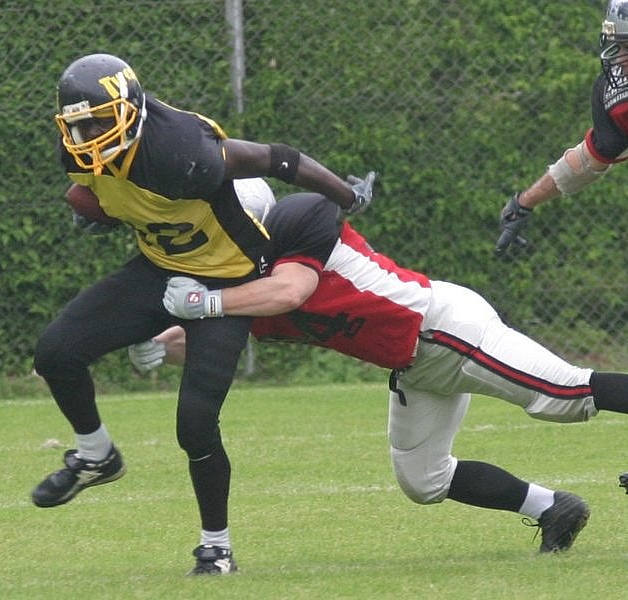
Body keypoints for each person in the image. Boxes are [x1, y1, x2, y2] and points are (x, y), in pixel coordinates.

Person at [131, 190, 628, 555]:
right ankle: (553, 509)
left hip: (443, 328)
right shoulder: (254, 286)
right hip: (415, 363)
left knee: (567, 395)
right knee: (424, 479)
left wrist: (204, 302)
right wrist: (163, 344)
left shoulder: (297, 243)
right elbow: (228, 333)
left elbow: (287, 291)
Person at [31, 52, 376, 576]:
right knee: (56, 352)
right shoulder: (78, 151)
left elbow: (279, 159)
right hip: (159, 268)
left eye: (100, 121)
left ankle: (216, 547)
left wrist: (347, 196)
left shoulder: (182, 151)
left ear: (130, 109)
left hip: (230, 275)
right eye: (80, 125)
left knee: (194, 422)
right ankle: (96, 455)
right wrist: (103, 210)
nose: (90, 135)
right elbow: (94, 192)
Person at [494, 0, 628, 256]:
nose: (620, 59)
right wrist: (524, 202)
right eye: (618, 46)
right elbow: (590, 159)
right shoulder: (621, 97)